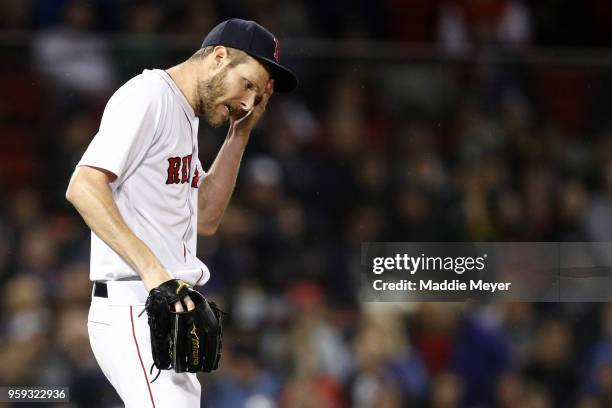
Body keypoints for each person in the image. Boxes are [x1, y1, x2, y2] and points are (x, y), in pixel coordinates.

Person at [65, 18, 297, 408]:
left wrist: (240, 134)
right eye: (249, 85)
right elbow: (84, 186)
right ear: (219, 57)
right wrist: (154, 271)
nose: (248, 102)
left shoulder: (185, 115)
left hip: (161, 306)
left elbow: (205, 217)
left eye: (257, 95)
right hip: (132, 303)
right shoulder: (149, 95)